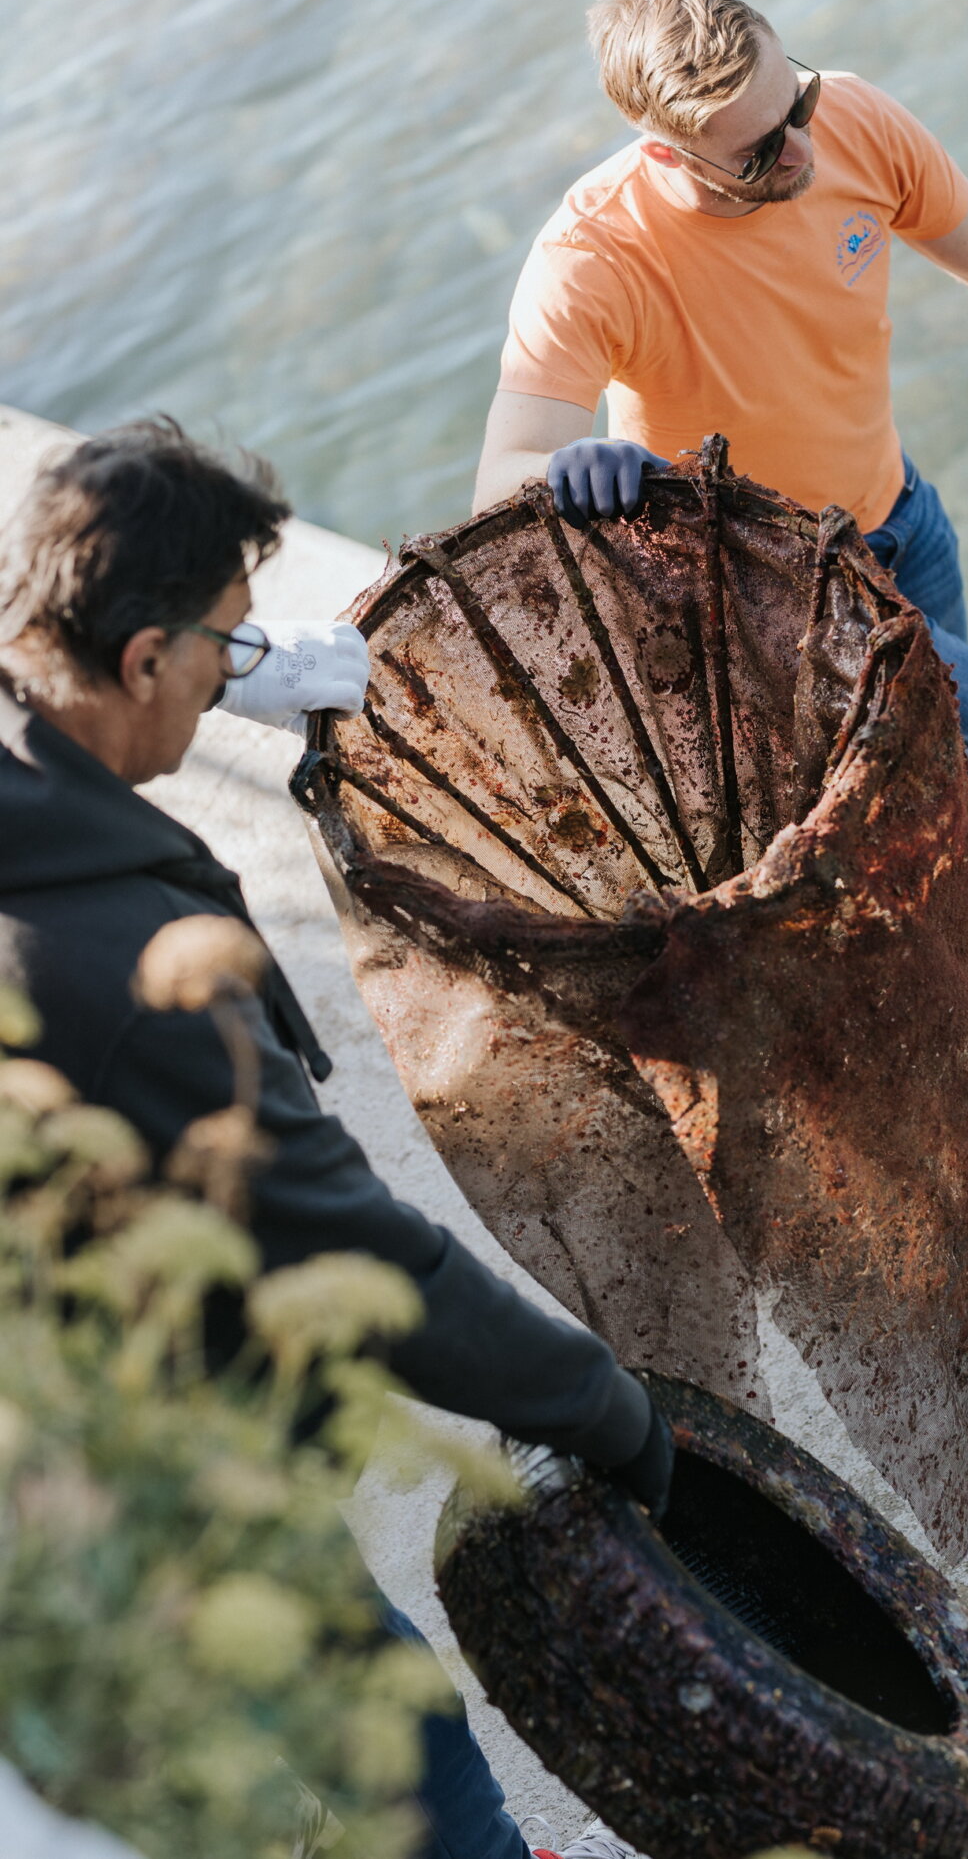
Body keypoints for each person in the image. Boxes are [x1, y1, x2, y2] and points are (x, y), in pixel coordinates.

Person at [0, 418, 664, 1859]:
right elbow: (360, 1245)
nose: (232, 678)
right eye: (225, 649)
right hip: (128, 1454)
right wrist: (601, 1406)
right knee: (405, 1745)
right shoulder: (131, 978)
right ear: (138, 662)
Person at [474, 0, 968, 1091]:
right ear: (664, 154)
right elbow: (500, 476)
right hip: (782, 593)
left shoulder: (845, 118)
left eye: (791, 106)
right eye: (755, 155)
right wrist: (567, 469)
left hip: (901, 521)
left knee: (939, 774)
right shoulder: (593, 260)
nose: (797, 153)